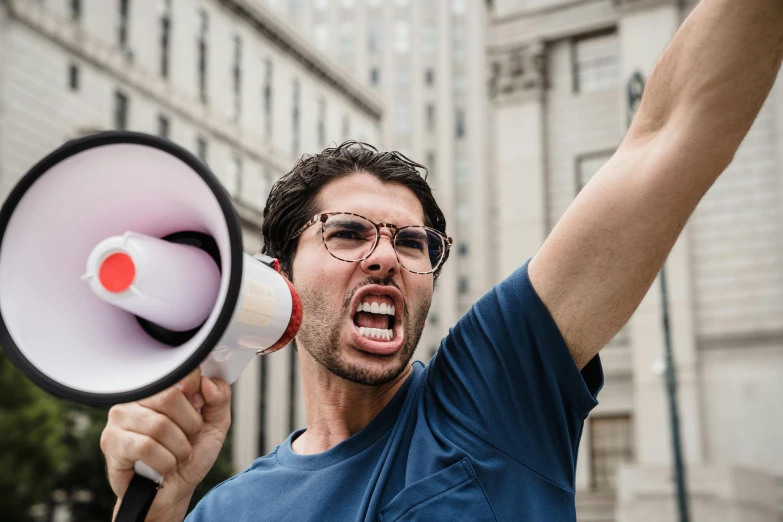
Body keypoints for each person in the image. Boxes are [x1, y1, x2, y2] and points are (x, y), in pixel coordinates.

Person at [99, 1, 783, 520]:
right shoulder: (224, 510)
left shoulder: (493, 391)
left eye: (411, 242)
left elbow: (665, 134)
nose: (385, 257)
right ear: (279, 279)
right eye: (346, 233)